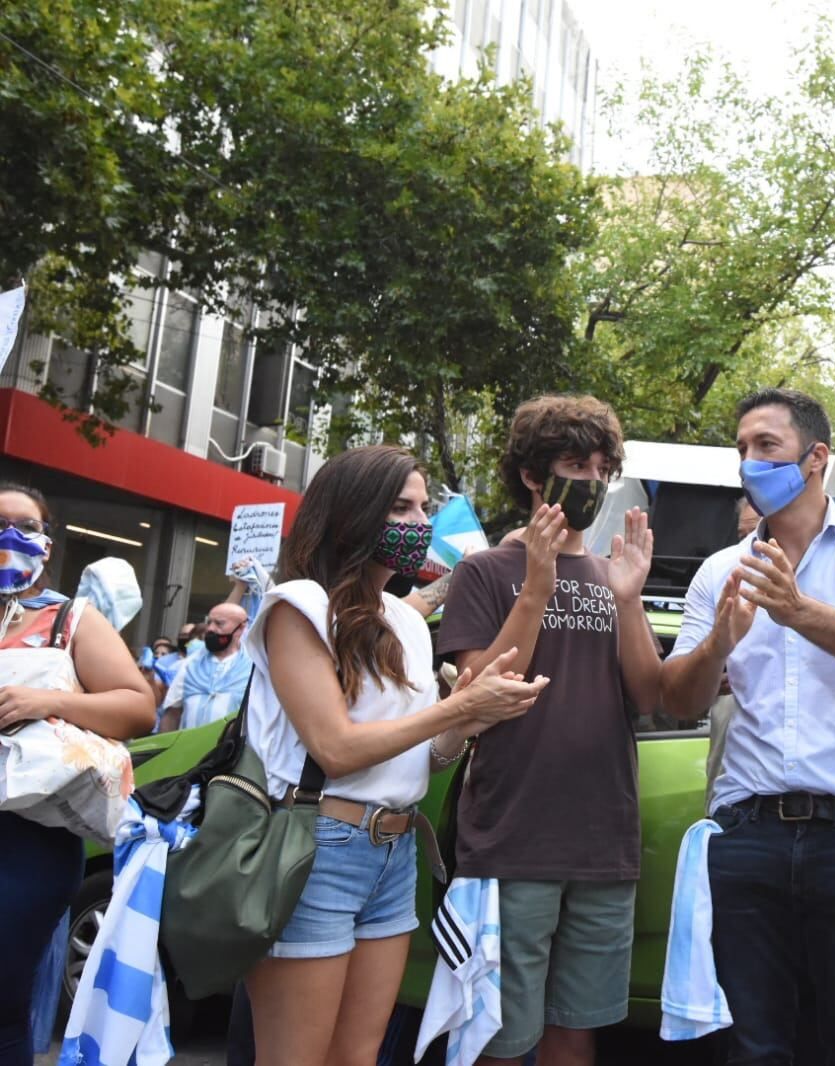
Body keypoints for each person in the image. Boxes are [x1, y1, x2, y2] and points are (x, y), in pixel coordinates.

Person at [242, 446, 546, 1066]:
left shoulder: (403, 622)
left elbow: (426, 758)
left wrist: (470, 718)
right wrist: (456, 710)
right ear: (353, 515)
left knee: (360, 1056)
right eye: (400, 507)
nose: (419, 521)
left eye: (422, 506)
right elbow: (335, 748)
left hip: (395, 853)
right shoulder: (299, 605)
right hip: (315, 845)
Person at [660, 387, 835, 1065]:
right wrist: (718, 642)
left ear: (814, 459)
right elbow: (680, 700)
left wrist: (796, 609)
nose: (749, 462)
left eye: (766, 446)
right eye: (742, 448)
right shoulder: (720, 570)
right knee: (751, 1041)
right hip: (747, 833)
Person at [437, 395, 659, 1066]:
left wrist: (628, 599)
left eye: (601, 466)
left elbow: (647, 696)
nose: (589, 479)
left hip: (602, 840)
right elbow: (479, 694)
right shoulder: (484, 572)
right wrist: (534, 586)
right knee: (501, 1037)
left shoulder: (614, 576)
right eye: (572, 463)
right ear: (534, 476)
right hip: (511, 839)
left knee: (576, 1028)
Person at [0, 483, 156, 1065]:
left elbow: (138, 707)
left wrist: (50, 702)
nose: (9, 537)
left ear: (45, 541)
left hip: (26, 842)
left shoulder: (71, 619)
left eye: (24, 525)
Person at [703, 495, 761, 810]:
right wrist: (712, 665)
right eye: (743, 537)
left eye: (763, 534)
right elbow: (678, 694)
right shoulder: (718, 580)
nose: (751, 546)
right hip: (734, 811)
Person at [158, 600, 250, 732]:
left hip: (232, 751)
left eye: (219, 623)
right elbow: (172, 713)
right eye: (209, 622)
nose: (211, 628)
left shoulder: (252, 668)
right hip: (189, 749)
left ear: (240, 628)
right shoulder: (190, 664)